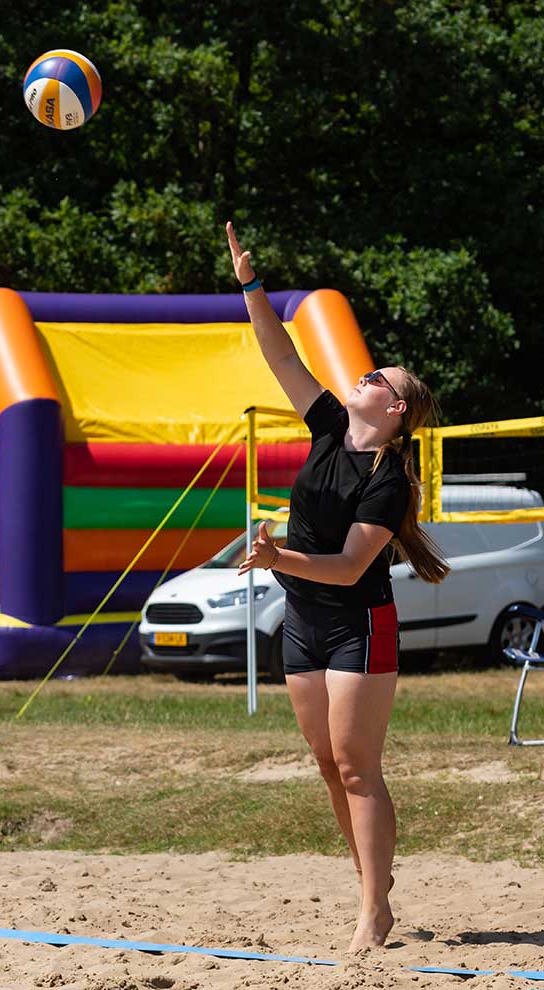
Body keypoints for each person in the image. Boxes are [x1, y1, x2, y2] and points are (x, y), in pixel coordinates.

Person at [226, 221, 450, 953]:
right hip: (303, 621)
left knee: (358, 767)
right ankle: (373, 886)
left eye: (378, 378)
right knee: (327, 764)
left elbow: (352, 568)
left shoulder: (389, 482)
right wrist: (251, 286)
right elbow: (279, 351)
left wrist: (274, 557)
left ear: (393, 410)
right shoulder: (327, 427)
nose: (365, 376)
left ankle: (371, 913)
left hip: (359, 625)